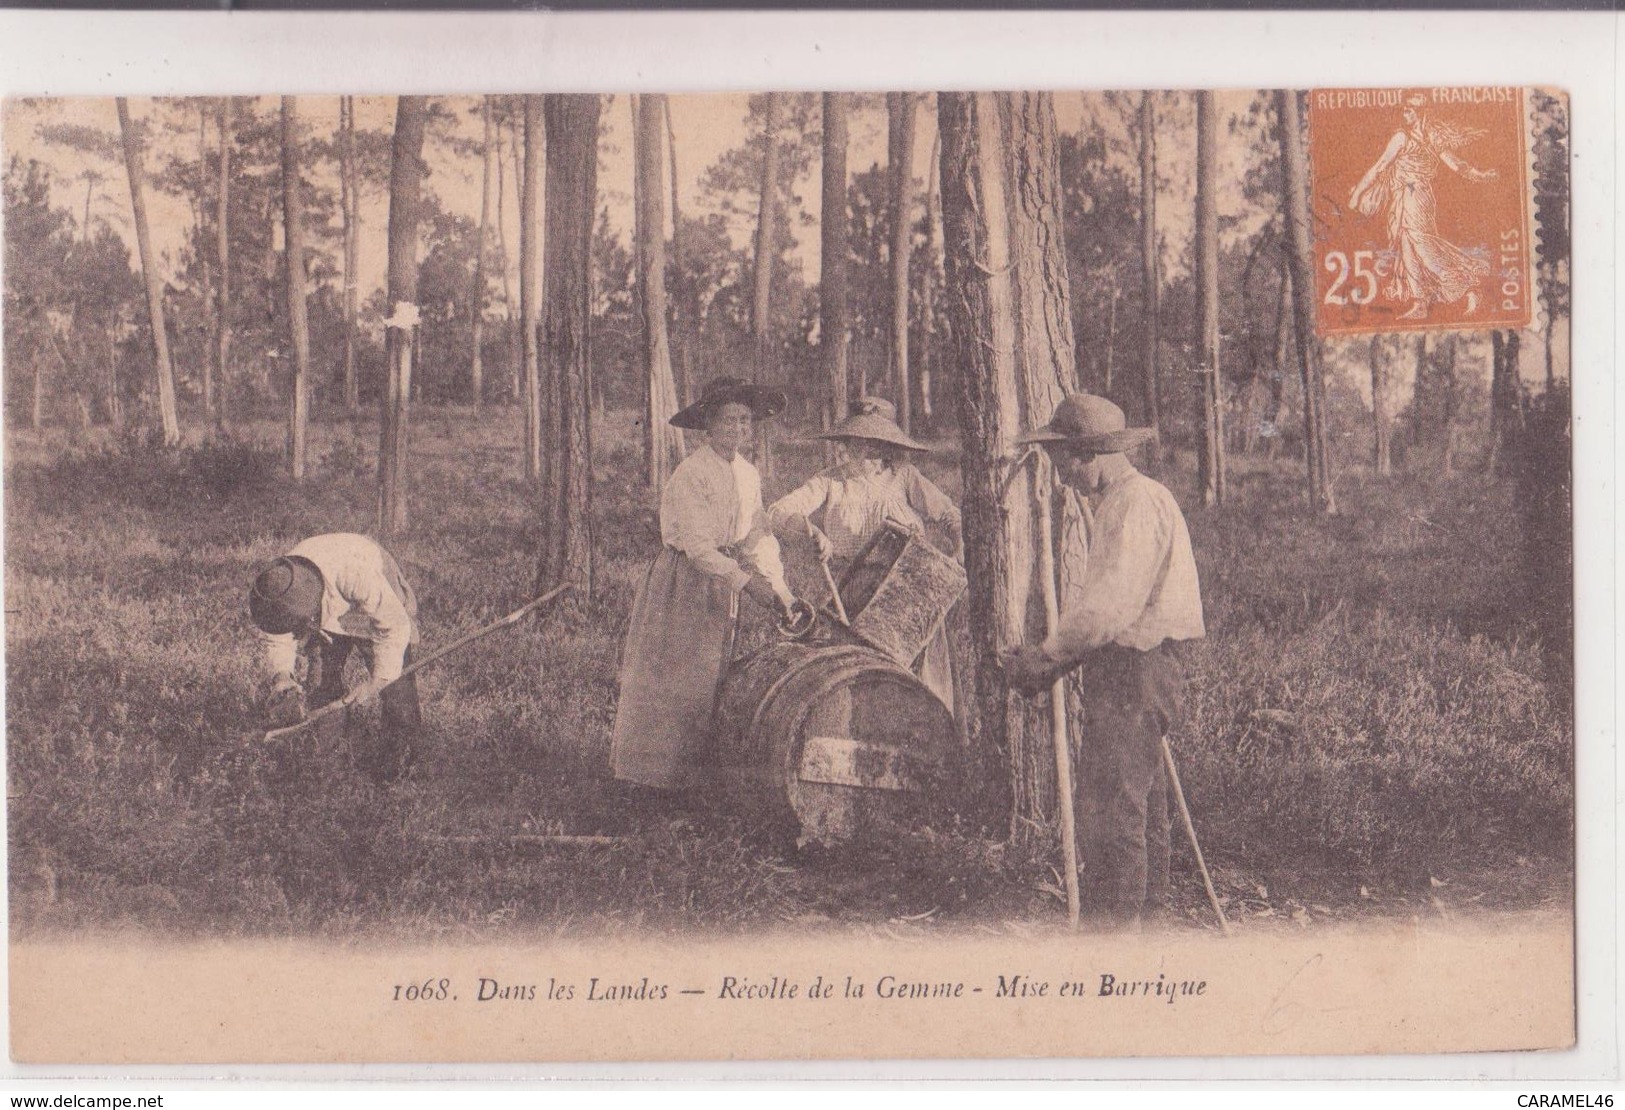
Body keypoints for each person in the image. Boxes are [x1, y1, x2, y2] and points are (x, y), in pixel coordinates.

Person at [1000, 395, 1204, 929]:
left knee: (1114, 810)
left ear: (1091, 454)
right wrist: (1055, 664)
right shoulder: (1124, 501)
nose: (1064, 476)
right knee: (1142, 802)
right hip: (1131, 664)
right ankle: (1146, 924)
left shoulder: (1136, 505)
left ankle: (1111, 939)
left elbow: (1108, 610)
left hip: (1139, 667)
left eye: (1066, 460)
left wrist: (1046, 656)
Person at [610, 376, 802, 794]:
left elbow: (756, 536)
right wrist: (746, 583)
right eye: (729, 420)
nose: (737, 430)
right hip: (684, 582)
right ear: (709, 424)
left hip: (724, 584)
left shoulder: (748, 475)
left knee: (714, 681)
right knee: (675, 678)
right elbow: (697, 546)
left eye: (745, 421)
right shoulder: (692, 473)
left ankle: (696, 784)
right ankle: (651, 784)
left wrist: (782, 592)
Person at [768, 397, 962, 706]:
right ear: (847, 442)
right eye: (861, 441)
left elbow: (949, 514)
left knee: (920, 682)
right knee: (857, 680)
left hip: (909, 594)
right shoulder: (831, 481)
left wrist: (958, 547)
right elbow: (777, 512)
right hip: (853, 592)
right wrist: (811, 532)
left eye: (877, 443)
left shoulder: (905, 478)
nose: (868, 451)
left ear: (889, 446)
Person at [248, 532, 421, 783]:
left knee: (397, 689)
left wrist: (377, 681)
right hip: (325, 605)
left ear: (313, 611)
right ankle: (327, 767)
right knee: (321, 685)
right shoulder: (281, 586)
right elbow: (277, 635)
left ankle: (402, 771)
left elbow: (393, 626)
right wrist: (282, 677)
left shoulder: (356, 573)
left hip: (375, 599)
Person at [1347, 92, 1498, 321]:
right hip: (1405, 196)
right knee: (1408, 247)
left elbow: (1455, 163)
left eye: (1410, 110)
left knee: (1422, 244)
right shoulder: (1401, 137)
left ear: (1420, 112)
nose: (1405, 113)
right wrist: (1358, 192)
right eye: (1404, 109)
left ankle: (1464, 284)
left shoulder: (1427, 137)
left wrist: (1479, 175)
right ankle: (1420, 303)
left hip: (1416, 195)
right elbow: (1380, 167)